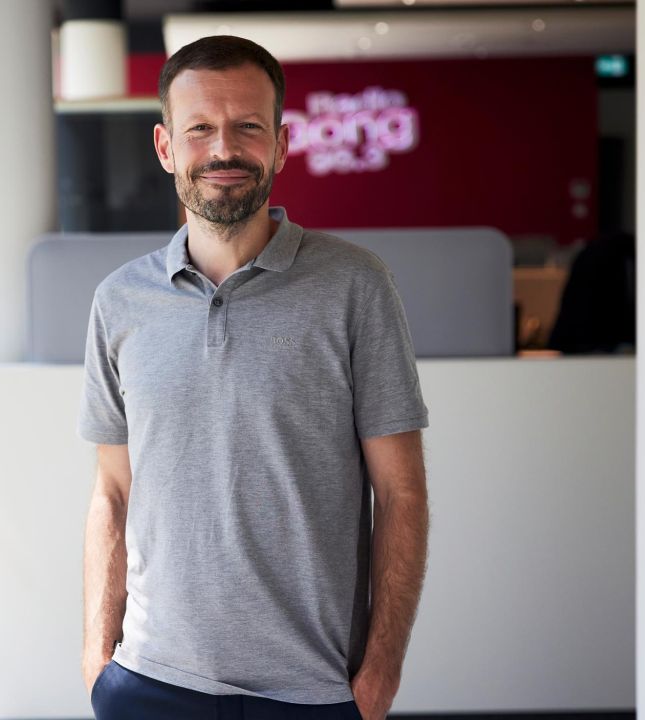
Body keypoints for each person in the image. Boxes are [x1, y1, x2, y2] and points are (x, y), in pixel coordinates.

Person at [78, 35, 430, 720]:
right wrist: (98, 659)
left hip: (312, 690)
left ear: (281, 144)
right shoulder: (119, 301)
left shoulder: (355, 286)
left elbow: (402, 489)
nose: (223, 150)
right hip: (148, 681)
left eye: (247, 127)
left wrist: (379, 675)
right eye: (200, 129)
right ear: (165, 147)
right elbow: (112, 493)